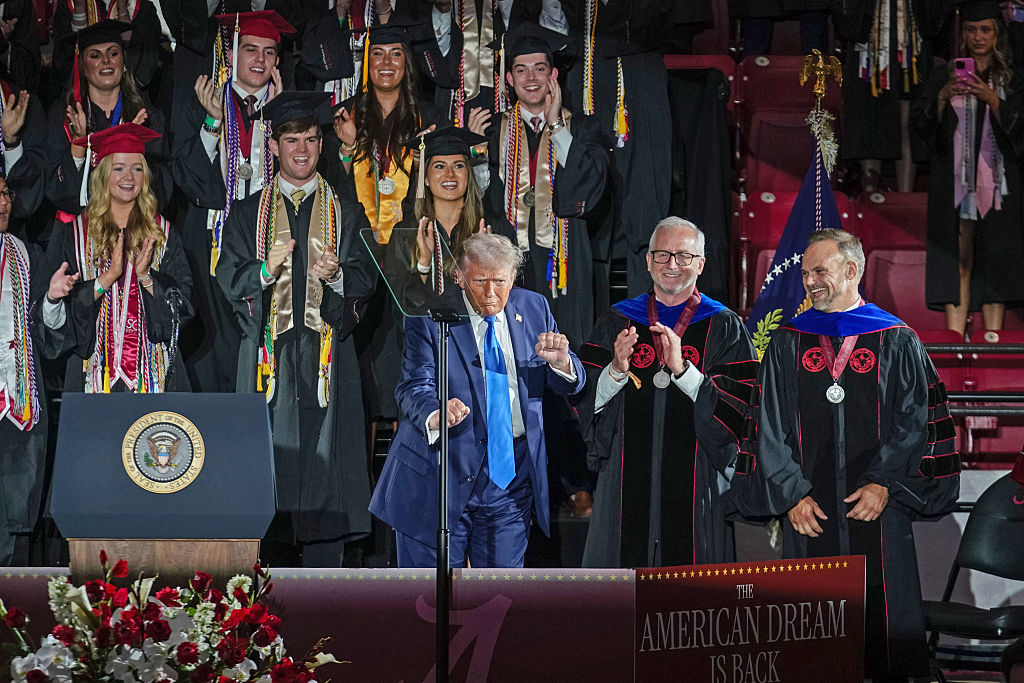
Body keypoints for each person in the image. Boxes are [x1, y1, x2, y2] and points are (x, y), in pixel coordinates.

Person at [731, 228, 961, 682]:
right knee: (811, 630)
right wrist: (791, 493)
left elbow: (915, 420)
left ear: (851, 270)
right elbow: (767, 424)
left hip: (878, 507)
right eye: (804, 273)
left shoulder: (895, 339)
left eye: (820, 271)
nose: (810, 281)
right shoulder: (786, 342)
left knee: (885, 625)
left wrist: (884, 482)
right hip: (808, 509)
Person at [215, 91, 375, 568]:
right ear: (276, 144)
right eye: (291, 140)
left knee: (328, 474)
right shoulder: (247, 213)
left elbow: (368, 279)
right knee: (269, 471)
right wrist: (264, 271)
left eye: (310, 139)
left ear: (321, 145)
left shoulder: (346, 211)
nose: (301, 150)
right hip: (271, 359)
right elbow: (228, 278)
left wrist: (338, 276)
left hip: (328, 360)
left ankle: (326, 594)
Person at [369, 232, 585, 568]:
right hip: (441, 473)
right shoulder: (431, 317)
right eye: (480, 280)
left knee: (497, 600)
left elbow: (571, 383)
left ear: (513, 278)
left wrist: (562, 363)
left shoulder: (534, 307)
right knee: (428, 603)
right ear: (459, 277)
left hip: (510, 479)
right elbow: (412, 386)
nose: (490, 292)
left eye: (499, 281)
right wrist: (435, 413)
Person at [575, 217, 757, 568]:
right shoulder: (617, 321)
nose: (671, 265)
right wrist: (614, 371)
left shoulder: (724, 326)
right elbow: (583, 401)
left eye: (683, 256)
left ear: (701, 264)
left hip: (697, 478)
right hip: (623, 480)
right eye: (662, 255)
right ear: (647, 261)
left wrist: (684, 372)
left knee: (690, 603)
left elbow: (740, 411)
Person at [172, 9, 293, 393]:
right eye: (250, 49)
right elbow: (185, 179)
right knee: (214, 344)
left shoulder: (287, 110)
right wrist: (211, 123)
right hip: (212, 239)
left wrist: (286, 120)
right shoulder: (203, 100)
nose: (260, 60)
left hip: (271, 242)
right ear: (231, 53)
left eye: (269, 52)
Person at [40, 123, 193, 394]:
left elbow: (183, 310)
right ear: (102, 173)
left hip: (154, 374)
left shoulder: (164, 233)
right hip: (92, 373)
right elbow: (55, 323)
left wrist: (147, 278)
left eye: (137, 168)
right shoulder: (73, 233)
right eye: (119, 168)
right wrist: (104, 280)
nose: (129, 177)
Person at [485, 21, 607, 348]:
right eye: (521, 70)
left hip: (565, 260)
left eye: (540, 69)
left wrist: (556, 124)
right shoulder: (492, 132)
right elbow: (483, 199)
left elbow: (591, 185)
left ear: (554, 76)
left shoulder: (581, 127)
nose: (532, 78)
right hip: (509, 257)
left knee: (567, 347)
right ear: (509, 80)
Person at [912, 0, 1024, 335]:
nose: (978, 37)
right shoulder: (943, 74)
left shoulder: (1013, 77)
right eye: (972, 30)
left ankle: (993, 343)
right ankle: (956, 341)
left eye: (986, 30)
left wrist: (992, 99)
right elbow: (921, 125)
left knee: (995, 260)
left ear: (997, 34)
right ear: (963, 34)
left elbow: (1020, 126)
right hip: (954, 181)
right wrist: (944, 95)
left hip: (1001, 181)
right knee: (956, 259)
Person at [45, 20, 171, 214]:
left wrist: (132, 149)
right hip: (79, 231)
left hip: (133, 226)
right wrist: (78, 145)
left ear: (124, 63)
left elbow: (162, 191)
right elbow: (57, 191)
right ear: (83, 68)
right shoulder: (64, 116)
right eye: (95, 56)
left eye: (113, 53)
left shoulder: (147, 116)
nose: (105, 61)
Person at [0, 174, 53, 566]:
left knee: (17, 502)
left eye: (5, 193)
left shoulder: (27, 254)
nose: (3, 202)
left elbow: (48, 325)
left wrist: (52, 299)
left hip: (17, 398)